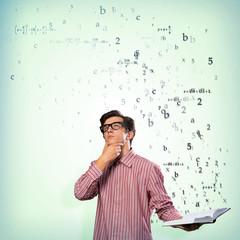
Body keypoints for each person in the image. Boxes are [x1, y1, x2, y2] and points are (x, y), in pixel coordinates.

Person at [74, 110, 202, 239]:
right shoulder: (99, 166)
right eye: (105, 128)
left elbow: (164, 207)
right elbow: (80, 193)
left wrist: (181, 221)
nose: (109, 130)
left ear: (129, 134)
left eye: (116, 126)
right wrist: (103, 160)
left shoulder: (149, 168)